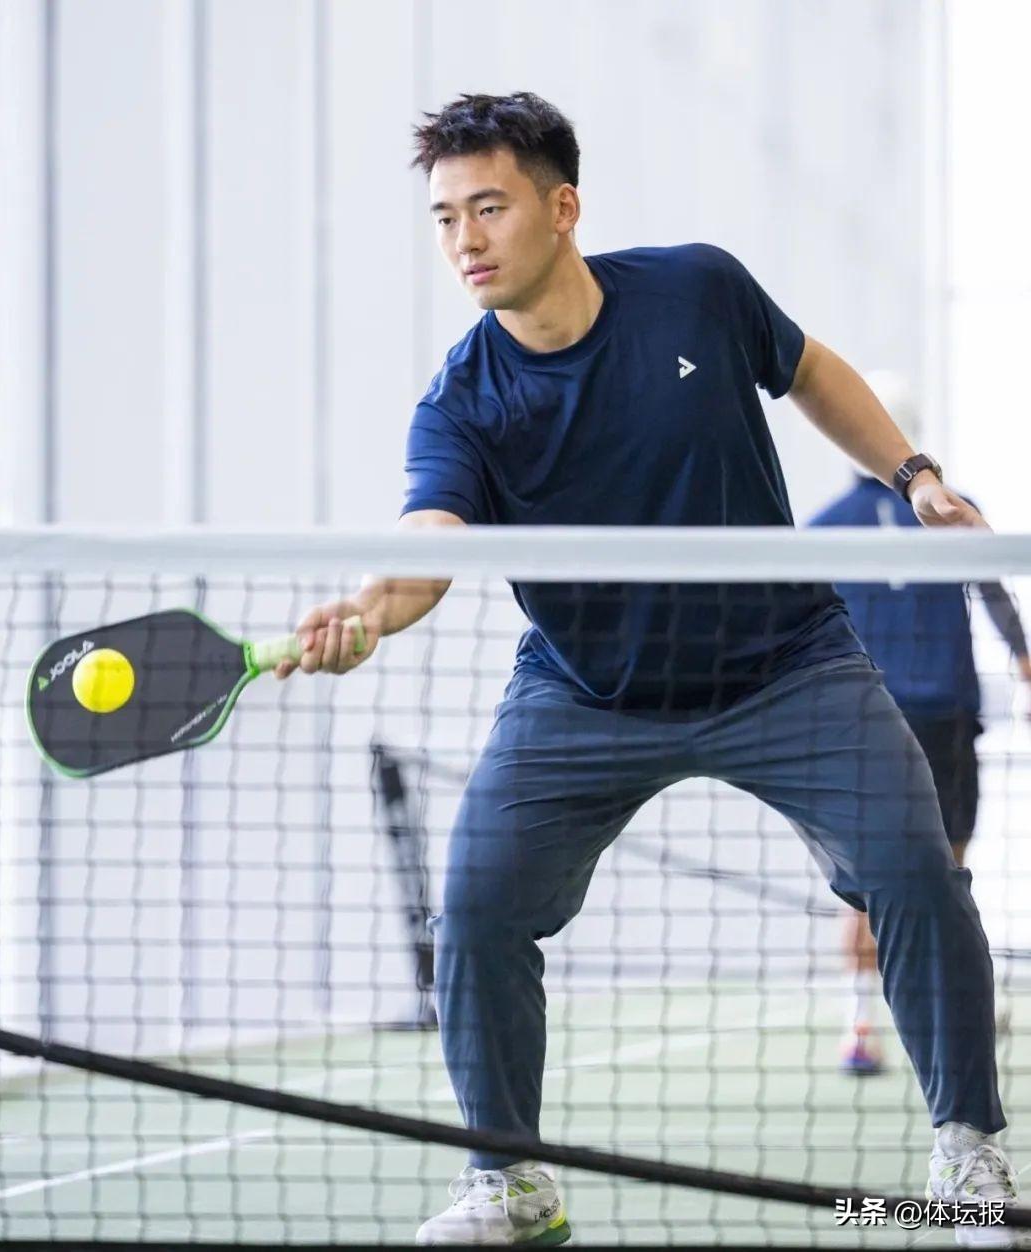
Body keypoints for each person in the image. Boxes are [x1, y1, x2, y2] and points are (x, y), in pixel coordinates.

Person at [276, 93, 1021, 1247]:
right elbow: (431, 541)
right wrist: (370, 612)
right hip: (587, 690)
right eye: (444, 218)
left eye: (489, 207)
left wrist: (914, 474)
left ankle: (967, 1158)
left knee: (917, 870)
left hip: (787, 667)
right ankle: (511, 1183)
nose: (465, 240)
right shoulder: (465, 399)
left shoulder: (696, 291)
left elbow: (812, 370)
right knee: (475, 905)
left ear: (562, 207)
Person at [810, 371, 1031, 1077]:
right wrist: (1024, 658)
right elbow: (996, 595)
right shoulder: (955, 511)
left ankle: (859, 1028)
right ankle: (956, 1017)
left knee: (864, 879)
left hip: (865, 722)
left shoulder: (823, 529)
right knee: (949, 873)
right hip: (944, 718)